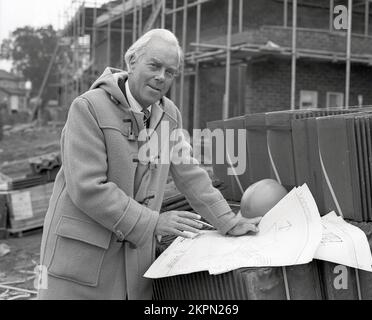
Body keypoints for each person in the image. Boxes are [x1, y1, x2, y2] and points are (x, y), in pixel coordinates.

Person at [38, 29, 260, 300]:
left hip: (133, 266)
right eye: (154, 65)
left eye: (170, 72)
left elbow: (190, 173)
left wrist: (228, 221)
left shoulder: (168, 115)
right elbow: (88, 188)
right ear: (131, 61)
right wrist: (153, 222)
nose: (161, 77)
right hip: (82, 265)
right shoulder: (88, 108)